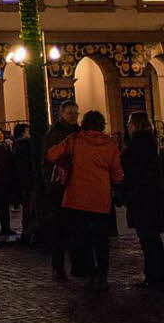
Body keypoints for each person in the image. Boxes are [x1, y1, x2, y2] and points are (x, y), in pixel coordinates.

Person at [46, 110, 123, 291]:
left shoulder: (74, 140)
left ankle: (85, 269)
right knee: (101, 239)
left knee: (81, 236)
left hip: (76, 197)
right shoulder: (110, 144)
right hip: (100, 197)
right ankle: (102, 272)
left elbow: (51, 155)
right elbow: (117, 172)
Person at [119, 111, 163, 290]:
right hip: (151, 196)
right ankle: (154, 274)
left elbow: (131, 171)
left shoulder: (137, 144)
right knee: (151, 238)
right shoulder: (151, 142)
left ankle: (154, 276)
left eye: (129, 123)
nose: (127, 126)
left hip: (141, 197)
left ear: (135, 125)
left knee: (148, 238)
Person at [43, 100, 83, 279]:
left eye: (76, 113)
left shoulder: (80, 132)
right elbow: (48, 158)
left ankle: (77, 264)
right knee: (59, 228)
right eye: (70, 113)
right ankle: (58, 267)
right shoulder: (54, 134)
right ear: (62, 114)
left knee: (76, 228)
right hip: (60, 186)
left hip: (77, 185)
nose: (74, 116)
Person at [11, 123, 34, 243]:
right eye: (27, 131)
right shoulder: (26, 145)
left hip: (21, 181)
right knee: (29, 208)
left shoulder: (16, 145)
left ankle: (27, 231)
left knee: (26, 207)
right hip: (28, 181)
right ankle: (28, 232)